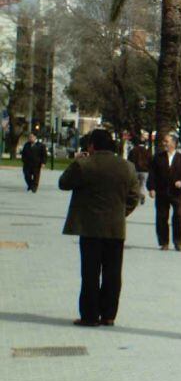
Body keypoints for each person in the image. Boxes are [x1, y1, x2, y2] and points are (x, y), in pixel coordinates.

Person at [58, 129, 140, 327]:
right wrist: (122, 213)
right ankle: (109, 315)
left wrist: (75, 161)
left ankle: (90, 315)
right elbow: (134, 196)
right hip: (115, 228)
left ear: (92, 145)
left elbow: (63, 183)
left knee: (90, 272)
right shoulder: (127, 167)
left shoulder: (84, 164)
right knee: (113, 272)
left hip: (90, 228)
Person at [147, 133, 181, 251]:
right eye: (164, 141)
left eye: (166, 141)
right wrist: (151, 188)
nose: (164, 144)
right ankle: (164, 242)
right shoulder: (158, 158)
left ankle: (178, 242)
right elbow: (152, 174)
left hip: (176, 193)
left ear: (173, 143)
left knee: (178, 216)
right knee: (162, 217)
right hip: (162, 192)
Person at [127, 138, 152, 204]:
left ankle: (137, 196)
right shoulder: (147, 151)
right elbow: (150, 161)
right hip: (145, 171)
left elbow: (129, 160)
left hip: (135, 170)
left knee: (135, 184)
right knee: (143, 184)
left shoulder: (133, 151)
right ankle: (142, 194)